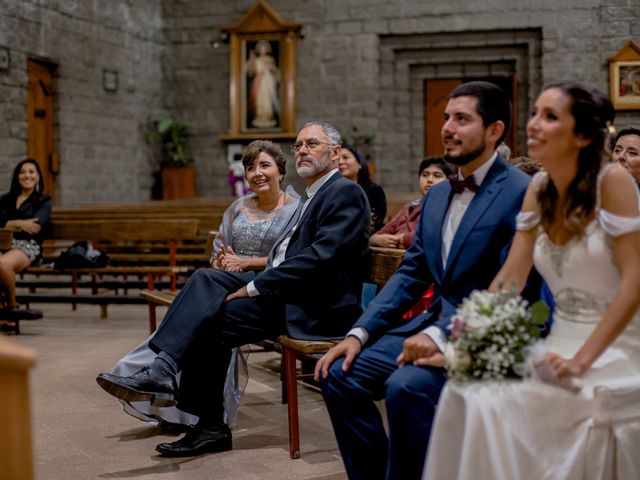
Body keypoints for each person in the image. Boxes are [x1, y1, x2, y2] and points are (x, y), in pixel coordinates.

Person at [96, 121, 371, 457]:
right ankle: (165, 368)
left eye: (311, 144)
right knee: (203, 278)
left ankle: (207, 425)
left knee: (209, 320)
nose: (301, 150)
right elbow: (289, 257)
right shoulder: (316, 195)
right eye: (298, 145)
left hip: (314, 306)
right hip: (288, 292)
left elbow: (321, 259)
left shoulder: (345, 192)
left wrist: (255, 285)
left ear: (336, 153)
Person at [315, 81, 532, 480]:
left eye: (462, 119)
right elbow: (412, 273)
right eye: (447, 117)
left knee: (405, 387)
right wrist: (358, 333)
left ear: (495, 130)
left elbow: (509, 290)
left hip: (481, 331)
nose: (448, 127)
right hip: (426, 322)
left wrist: (440, 336)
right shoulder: (438, 196)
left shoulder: (521, 193)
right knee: (339, 375)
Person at [424, 83, 640, 479]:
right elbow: (509, 279)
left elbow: (634, 283)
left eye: (551, 117)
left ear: (584, 135)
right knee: (467, 390)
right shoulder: (538, 188)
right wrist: (465, 347)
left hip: (620, 346)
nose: (534, 125)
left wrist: (583, 360)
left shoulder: (612, 183)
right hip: (558, 342)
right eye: (536, 113)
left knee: (560, 402)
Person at [110, 140, 299, 429]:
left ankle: (164, 370)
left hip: (268, 285)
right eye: (250, 167)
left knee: (202, 292)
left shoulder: (296, 210)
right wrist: (223, 263)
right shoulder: (237, 207)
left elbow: (291, 259)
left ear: (281, 172)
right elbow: (218, 251)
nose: (257, 173)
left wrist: (246, 264)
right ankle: (177, 396)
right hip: (226, 280)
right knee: (205, 286)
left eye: (264, 165)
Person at [0, 158, 50, 330]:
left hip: (28, 246)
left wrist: (8, 223)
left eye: (31, 172)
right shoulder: (6, 199)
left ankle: (12, 308)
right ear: (17, 176)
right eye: (22, 172)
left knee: (2, 264)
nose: (26, 175)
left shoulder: (43, 201)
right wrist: (20, 223)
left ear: (37, 176)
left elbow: (36, 225)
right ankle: (1, 309)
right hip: (3, 243)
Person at [369, 156, 451, 249]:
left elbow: (429, 235)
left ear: (448, 181)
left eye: (437, 176)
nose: (429, 180)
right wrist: (376, 239)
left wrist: (402, 239)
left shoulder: (447, 207)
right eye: (425, 175)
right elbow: (381, 233)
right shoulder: (410, 207)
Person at [339, 144, 387, 232]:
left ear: (360, 164)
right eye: (337, 159)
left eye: (345, 157)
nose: (340, 162)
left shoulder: (374, 191)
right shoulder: (332, 191)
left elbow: (373, 224)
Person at [246, 40, 279, 129]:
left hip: (268, 82)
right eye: (261, 49)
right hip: (259, 83)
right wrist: (251, 60)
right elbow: (250, 72)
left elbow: (276, 73)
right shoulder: (256, 60)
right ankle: (259, 118)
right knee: (259, 101)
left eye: (264, 48)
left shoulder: (270, 59)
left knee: (268, 101)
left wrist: (272, 69)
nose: (262, 50)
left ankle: (268, 118)